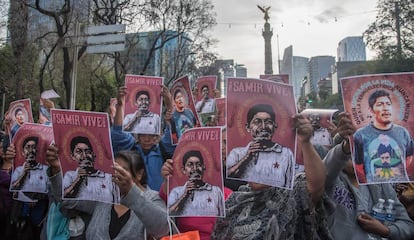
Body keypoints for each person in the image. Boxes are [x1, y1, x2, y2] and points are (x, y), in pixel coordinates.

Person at [211, 114, 331, 239]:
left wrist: (305, 143)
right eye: (254, 161)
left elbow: (316, 186)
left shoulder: (291, 193)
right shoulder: (233, 202)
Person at [323, 112, 414, 239]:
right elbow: (326, 171)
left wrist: (386, 230)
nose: (355, 158)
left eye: (360, 152)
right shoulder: (330, 182)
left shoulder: (381, 185)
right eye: (350, 153)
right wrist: (345, 147)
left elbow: (408, 226)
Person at [46, 146, 170, 239]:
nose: (116, 175)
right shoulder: (104, 195)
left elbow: (163, 228)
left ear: (139, 174)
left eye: (123, 171)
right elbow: (68, 201)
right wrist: (56, 170)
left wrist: (130, 191)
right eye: (114, 169)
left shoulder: (152, 198)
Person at [111, 86, 174, 191]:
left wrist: (169, 104)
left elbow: (172, 134)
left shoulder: (163, 149)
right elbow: (118, 132)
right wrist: (120, 105)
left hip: (157, 201)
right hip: (131, 199)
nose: (147, 139)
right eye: (143, 135)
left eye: (151, 135)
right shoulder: (130, 147)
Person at [226, 103, 294, 188]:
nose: (263, 127)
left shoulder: (286, 154)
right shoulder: (237, 153)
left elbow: (288, 185)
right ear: (248, 127)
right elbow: (228, 179)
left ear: (275, 126)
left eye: (268, 122)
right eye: (257, 122)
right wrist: (246, 158)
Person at [353, 89, 414, 183]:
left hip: (402, 189)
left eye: (388, 104)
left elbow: (409, 158)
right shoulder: (360, 135)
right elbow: (358, 165)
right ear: (371, 110)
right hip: (374, 190)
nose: (385, 108)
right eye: (380, 104)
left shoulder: (403, 132)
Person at [168, 150, 225, 217]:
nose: (195, 169)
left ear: (204, 168)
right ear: (184, 170)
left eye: (198, 165)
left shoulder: (216, 191)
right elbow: (169, 215)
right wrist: (184, 196)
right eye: (190, 165)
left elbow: (223, 217)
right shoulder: (176, 192)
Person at [62, 136, 118, 203]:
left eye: (88, 151)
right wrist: (78, 179)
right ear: (73, 156)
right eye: (79, 152)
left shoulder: (108, 177)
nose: (84, 156)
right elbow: (63, 200)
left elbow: (116, 203)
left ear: (94, 155)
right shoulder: (70, 175)